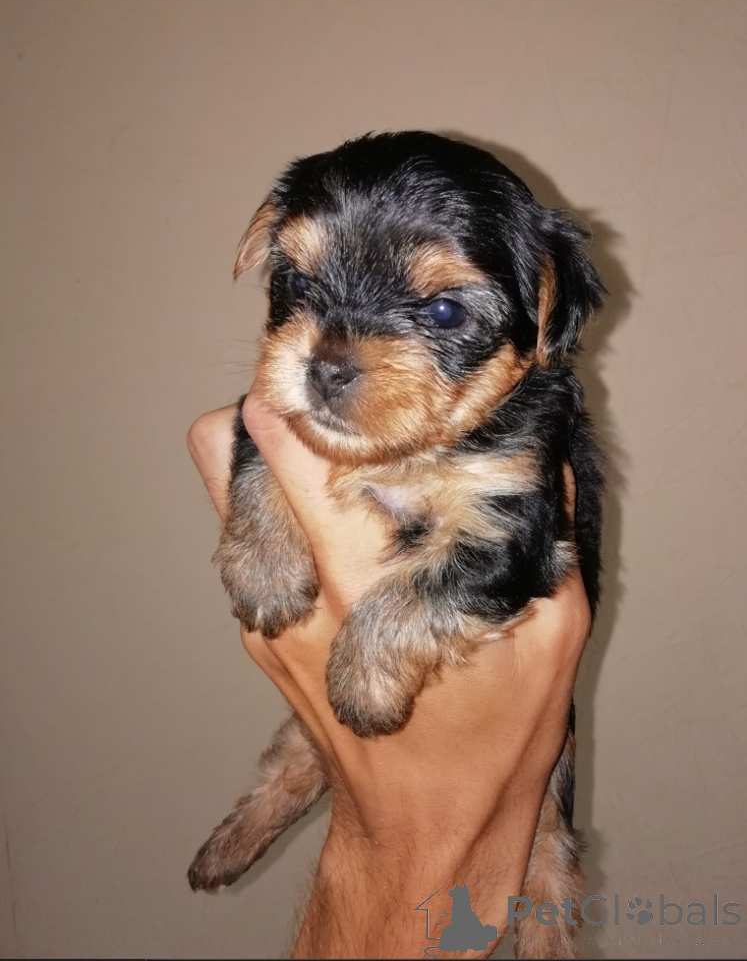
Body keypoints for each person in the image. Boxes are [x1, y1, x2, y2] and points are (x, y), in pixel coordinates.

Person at [187, 387, 591, 959]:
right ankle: (283, 790)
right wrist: (262, 522)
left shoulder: (522, 427)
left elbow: (514, 557)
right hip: (361, 657)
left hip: (482, 639)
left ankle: (551, 894)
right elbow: (259, 432)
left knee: (550, 801)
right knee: (325, 715)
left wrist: (381, 650)